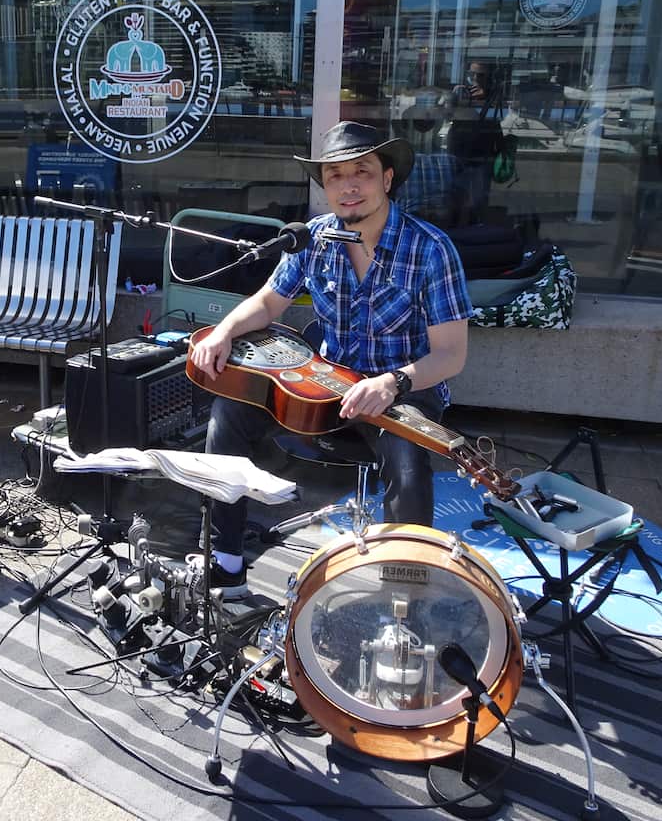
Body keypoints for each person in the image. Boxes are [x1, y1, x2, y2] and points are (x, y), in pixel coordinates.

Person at [189, 121, 473, 597]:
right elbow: (267, 303)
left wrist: (391, 383)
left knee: (407, 463)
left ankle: (406, 594)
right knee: (227, 415)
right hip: (323, 385)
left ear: (387, 179)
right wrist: (222, 332)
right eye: (336, 175)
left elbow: (451, 355)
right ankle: (226, 560)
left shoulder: (431, 249)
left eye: (361, 171)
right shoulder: (315, 239)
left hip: (402, 391)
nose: (349, 186)